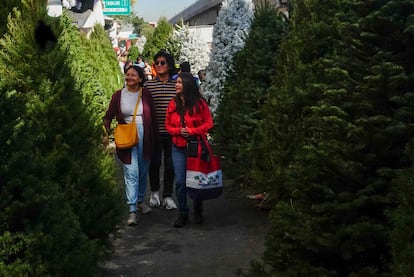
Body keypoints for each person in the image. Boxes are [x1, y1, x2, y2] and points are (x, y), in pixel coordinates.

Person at [103, 65, 159, 226]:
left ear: (140, 78)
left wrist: (155, 139)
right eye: (128, 75)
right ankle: (132, 208)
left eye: (133, 75)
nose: (130, 78)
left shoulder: (146, 94)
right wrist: (106, 127)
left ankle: (140, 200)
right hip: (126, 134)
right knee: (130, 171)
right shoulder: (118, 95)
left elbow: (153, 117)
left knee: (142, 170)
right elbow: (109, 115)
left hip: (145, 135)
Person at [165, 72, 214, 227]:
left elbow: (209, 123)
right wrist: (178, 131)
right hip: (178, 147)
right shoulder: (173, 104)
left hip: (196, 146)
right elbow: (168, 125)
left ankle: (198, 210)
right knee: (180, 182)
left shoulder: (200, 103)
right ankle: (183, 213)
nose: (176, 85)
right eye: (176, 82)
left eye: (179, 82)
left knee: (196, 180)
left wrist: (193, 131)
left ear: (187, 85)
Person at [144, 50, 178, 210]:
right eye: (156, 63)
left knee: (171, 165)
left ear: (169, 65)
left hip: (173, 132)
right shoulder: (149, 85)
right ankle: (155, 192)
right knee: (154, 163)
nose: (158, 65)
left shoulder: (176, 85)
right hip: (155, 132)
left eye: (162, 62)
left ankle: (168, 196)